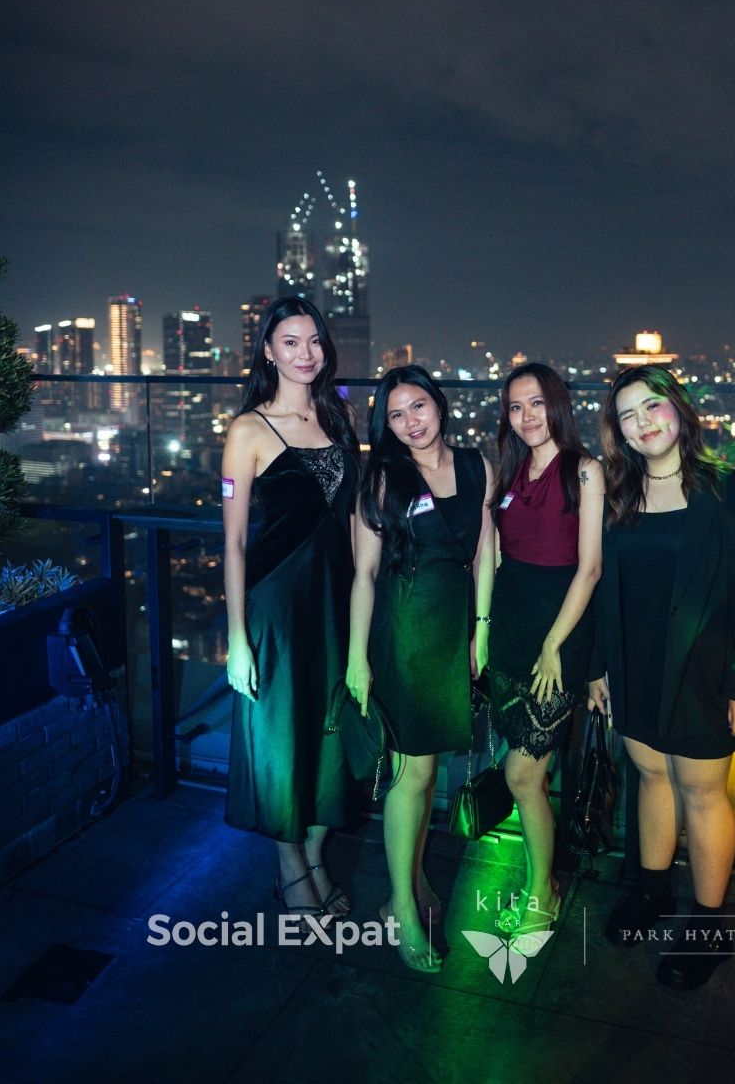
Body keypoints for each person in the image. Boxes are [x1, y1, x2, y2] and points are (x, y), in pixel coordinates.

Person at [588, 367, 735, 989]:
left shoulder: (729, 491)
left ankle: (709, 926)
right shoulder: (617, 492)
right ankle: (651, 891)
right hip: (633, 664)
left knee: (703, 791)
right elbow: (599, 586)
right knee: (650, 775)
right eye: (627, 415)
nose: (642, 423)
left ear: (679, 409)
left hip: (703, 669)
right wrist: (598, 669)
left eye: (652, 406)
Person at [347, 366, 494, 972]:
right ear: (385, 424)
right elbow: (364, 574)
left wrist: (481, 630)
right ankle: (401, 908)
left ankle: (411, 880)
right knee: (412, 775)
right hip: (404, 635)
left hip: (453, 633)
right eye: (396, 414)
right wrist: (357, 658)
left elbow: (485, 553)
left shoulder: (477, 466)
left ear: (440, 404)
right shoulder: (383, 477)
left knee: (430, 774)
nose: (411, 421)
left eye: (419, 406)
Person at [222, 296, 360, 924]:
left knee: (331, 734)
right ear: (269, 352)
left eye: (314, 341)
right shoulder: (248, 430)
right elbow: (234, 541)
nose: (306, 353)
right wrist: (237, 637)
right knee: (281, 739)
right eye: (291, 342)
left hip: (335, 600)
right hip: (276, 604)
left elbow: (354, 517)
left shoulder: (339, 414)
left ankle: (315, 857)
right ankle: (291, 871)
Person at [486, 363, 603, 943]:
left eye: (536, 403)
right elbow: (496, 556)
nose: (526, 416)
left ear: (556, 405)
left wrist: (555, 645)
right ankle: (542, 879)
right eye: (515, 407)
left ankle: (542, 889)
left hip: (557, 639)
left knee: (522, 771)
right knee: (527, 773)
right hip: (509, 632)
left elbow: (590, 568)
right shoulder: (508, 470)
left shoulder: (585, 471)